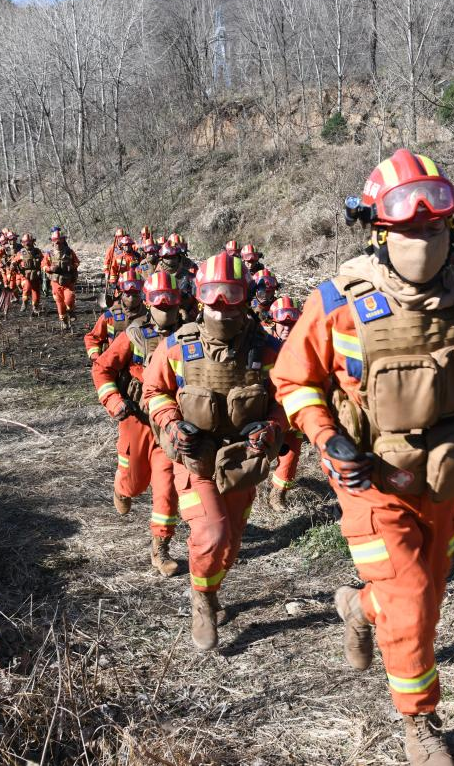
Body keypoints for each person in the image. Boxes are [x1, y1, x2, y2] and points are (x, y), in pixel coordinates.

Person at [269, 149, 454, 766]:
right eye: (409, 229)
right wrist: (325, 436)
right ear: (378, 231)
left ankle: (358, 606)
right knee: (411, 597)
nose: (423, 239)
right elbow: (293, 380)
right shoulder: (338, 301)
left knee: (426, 595)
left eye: (434, 227)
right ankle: (420, 722)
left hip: (445, 477)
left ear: (452, 224)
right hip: (370, 481)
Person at [142, 252, 286, 650]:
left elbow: (288, 396)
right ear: (199, 298)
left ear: (246, 299)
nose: (222, 308)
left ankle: (211, 586)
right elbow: (154, 391)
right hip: (195, 458)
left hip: (242, 461)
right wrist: (171, 422)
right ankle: (202, 601)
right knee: (212, 533)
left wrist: (273, 427)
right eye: (213, 297)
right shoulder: (178, 346)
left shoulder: (266, 350)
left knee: (231, 541)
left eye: (232, 296)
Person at [94, 269, 186, 577]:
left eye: (170, 302)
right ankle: (122, 489)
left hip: (170, 426)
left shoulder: (191, 336)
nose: (165, 309)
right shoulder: (134, 335)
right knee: (133, 481)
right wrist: (113, 401)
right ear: (149, 303)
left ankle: (161, 548)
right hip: (136, 421)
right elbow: (102, 369)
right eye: (159, 303)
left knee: (167, 488)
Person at [264, 296, 301, 511]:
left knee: (291, 453)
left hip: (292, 408)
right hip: (265, 408)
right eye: (283, 323)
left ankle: (278, 495)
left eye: (292, 323)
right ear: (273, 322)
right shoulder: (262, 343)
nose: (287, 327)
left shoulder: (305, 344)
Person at [83, 268, 146, 360]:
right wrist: (96, 357)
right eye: (128, 294)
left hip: (140, 367)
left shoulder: (150, 317)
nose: (131, 299)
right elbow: (93, 338)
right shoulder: (109, 317)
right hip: (113, 364)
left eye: (135, 294)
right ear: (121, 294)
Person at [45, 226, 81, 330]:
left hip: (68, 282)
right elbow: (44, 266)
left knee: (69, 298)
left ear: (63, 240)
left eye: (59, 240)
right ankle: (64, 321)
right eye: (55, 241)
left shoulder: (69, 252)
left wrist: (72, 267)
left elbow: (77, 262)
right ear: (52, 241)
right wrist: (50, 268)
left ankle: (71, 310)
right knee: (60, 304)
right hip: (56, 283)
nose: (57, 243)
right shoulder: (49, 254)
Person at [16, 233, 44, 314]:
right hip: (25, 276)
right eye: (25, 242)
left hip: (36, 275)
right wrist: (13, 264)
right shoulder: (21, 253)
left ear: (33, 242)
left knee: (36, 292)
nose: (27, 244)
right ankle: (24, 302)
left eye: (29, 241)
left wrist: (46, 267)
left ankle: (35, 307)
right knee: (27, 288)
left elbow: (44, 260)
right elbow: (15, 260)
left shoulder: (37, 251)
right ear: (22, 243)